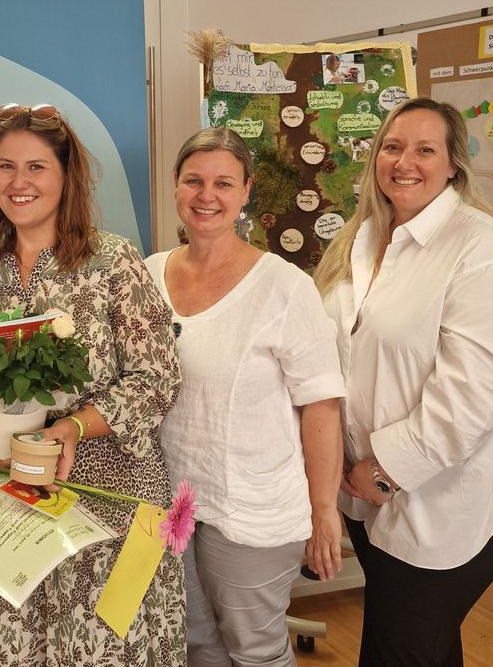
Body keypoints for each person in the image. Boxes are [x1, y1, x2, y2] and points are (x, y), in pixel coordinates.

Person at [0, 103, 185, 667]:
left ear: (66, 177)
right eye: (5, 166)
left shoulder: (112, 261)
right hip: (6, 507)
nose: (18, 182)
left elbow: (157, 376)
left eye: (37, 167)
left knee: (105, 648)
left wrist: (71, 427)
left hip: (109, 509)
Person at [314, 98, 493, 667]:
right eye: (392, 147)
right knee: (409, 642)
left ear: (453, 165)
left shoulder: (483, 251)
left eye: (424, 149)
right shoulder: (362, 239)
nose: (404, 162)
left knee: (405, 643)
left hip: (444, 496)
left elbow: (475, 395)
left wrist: (387, 469)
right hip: (369, 491)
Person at [144, 127, 346, 667]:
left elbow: (322, 402)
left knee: (255, 651)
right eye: (194, 181)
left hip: (252, 511)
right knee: (197, 644)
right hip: (171, 501)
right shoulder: (146, 275)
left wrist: (324, 509)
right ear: (175, 186)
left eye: (223, 183)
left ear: (246, 191)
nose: (206, 195)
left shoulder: (284, 288)